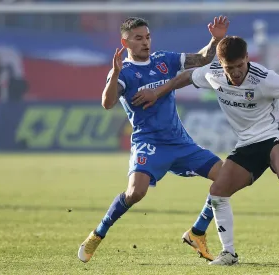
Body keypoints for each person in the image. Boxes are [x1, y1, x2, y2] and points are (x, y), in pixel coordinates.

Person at [133, 36, 279, 266]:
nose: (236, 72)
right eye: (230, 68)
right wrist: (157, 92)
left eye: (240, 65)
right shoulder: (213, 74)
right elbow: (186, 77)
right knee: (218, 192)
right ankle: (228, 253)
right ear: (221, 65)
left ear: (247, 59)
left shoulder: (265, 79)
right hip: (246, 145)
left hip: (274, 136)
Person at [78, 16, 230, 263]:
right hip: (148, 143)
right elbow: (107, 103)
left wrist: (215, 39)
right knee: (135, 193)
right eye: (138, 38)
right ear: (125, 42)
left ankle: (197, 232)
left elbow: (202, 58)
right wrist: (115, 74)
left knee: (226, 176)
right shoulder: (124, 72)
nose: (145, 42)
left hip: (180, 142)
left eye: (147, 37)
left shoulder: (164, 60)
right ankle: (98, 233)